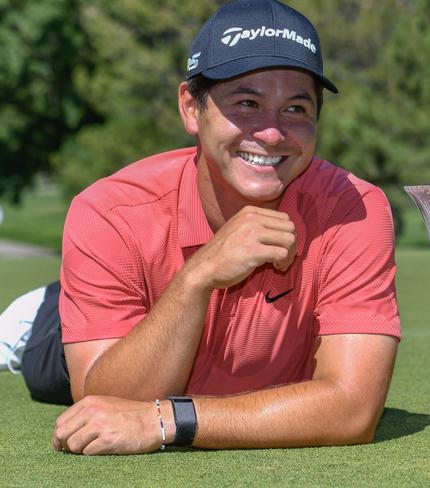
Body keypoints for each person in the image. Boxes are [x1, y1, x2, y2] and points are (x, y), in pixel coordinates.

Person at [2, 0, 400, 455]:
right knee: (45, 364)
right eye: (247, 103)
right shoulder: (108, 210)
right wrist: (196, 278)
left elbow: (353, 410)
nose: (271, 133)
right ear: (192, 109)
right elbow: (104, 404)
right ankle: (37, 313)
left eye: (295, 109)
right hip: (89, 339)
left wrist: (171, 420)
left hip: (203, 389)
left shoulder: (355, 208)